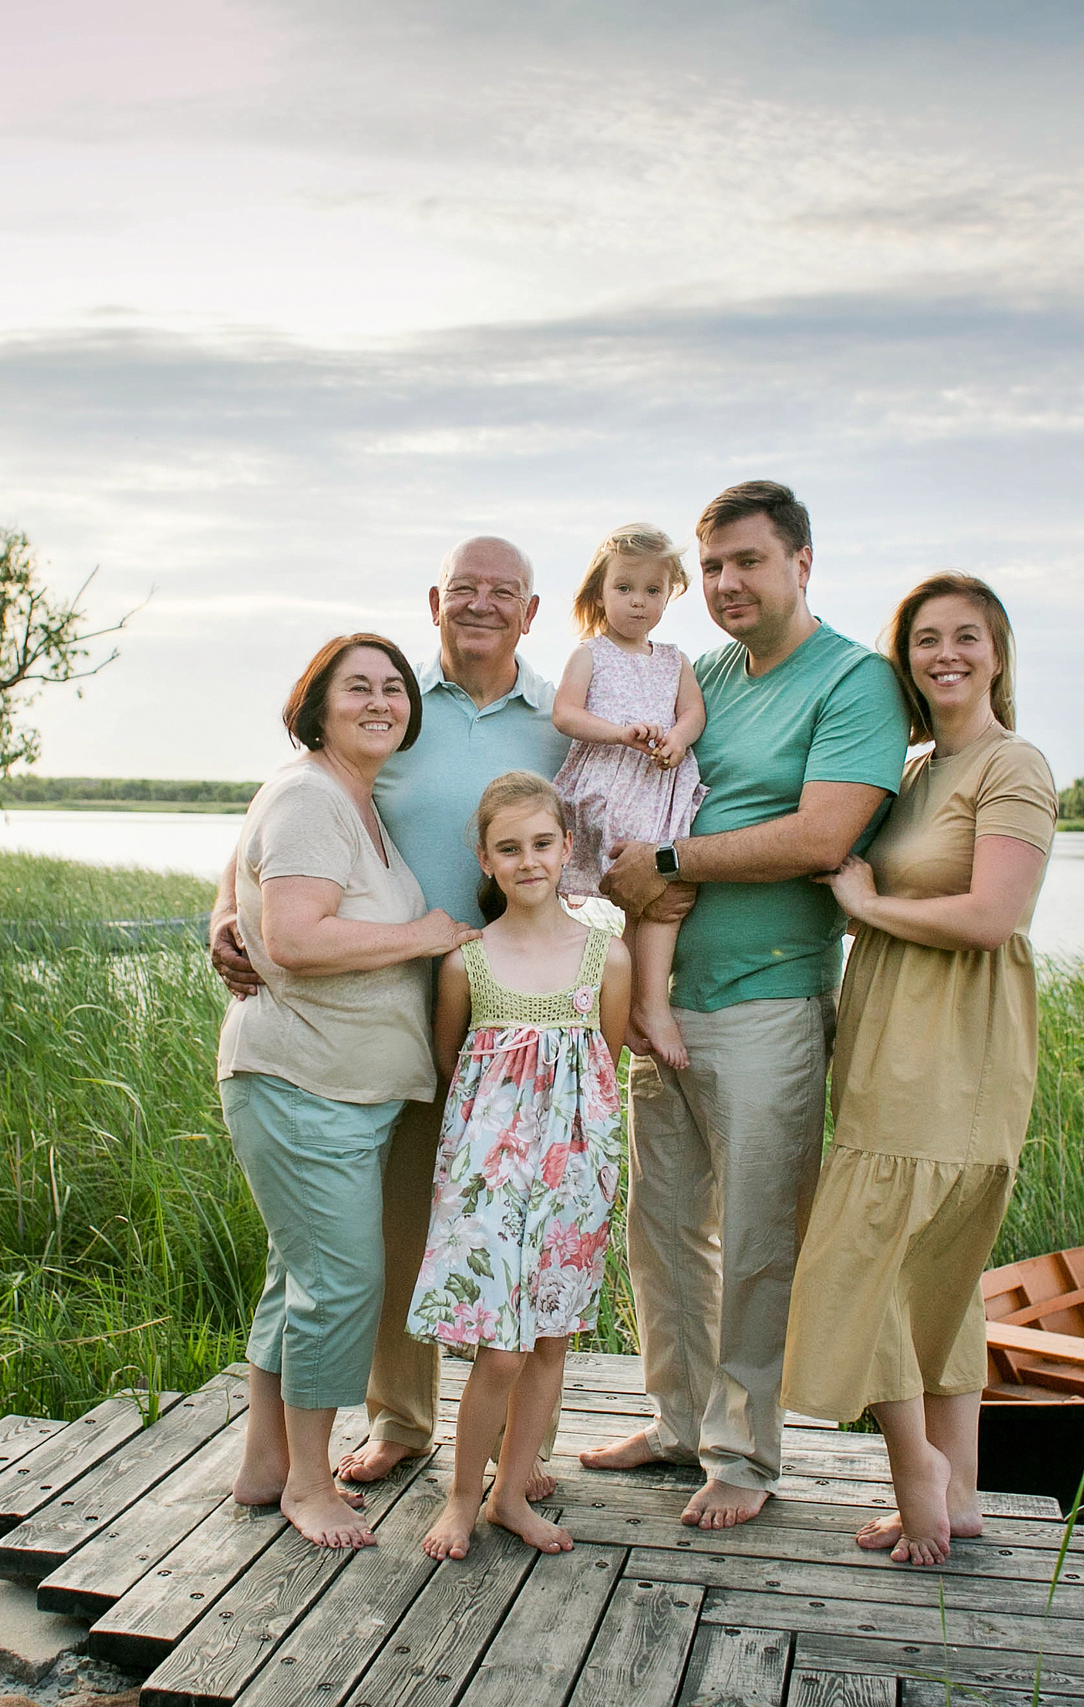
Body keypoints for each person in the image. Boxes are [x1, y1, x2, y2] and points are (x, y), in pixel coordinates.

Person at [209, 538, 571, 1488]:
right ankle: (399, 1420)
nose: (482, 604)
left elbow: (601, 830)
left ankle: (511, 1445)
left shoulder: (561, 720)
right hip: (387, 1019)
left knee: (514, 1222)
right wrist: (223, 912)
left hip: (516, 1016)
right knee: (385, 1236)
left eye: (503, 592)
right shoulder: (392, 711)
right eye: (464, 589)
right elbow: (268, 833)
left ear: (531, 612)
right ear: (435, 602)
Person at [587, 481, 910, 1530]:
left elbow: (823, 835)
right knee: (662, 1230)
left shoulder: (856, 681)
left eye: (748, 561)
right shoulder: (705, 674)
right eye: (714, 565)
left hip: (769, 1002)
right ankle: (677, 1422)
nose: (727, 583)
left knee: (759, 1239)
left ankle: (742, 1455)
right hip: (662, 999)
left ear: (801, 562)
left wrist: (667, 862)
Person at [784, 573, 1056, 1565]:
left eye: (965, 636)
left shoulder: (1012, 766)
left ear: (997, 653)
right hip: (888, 1033)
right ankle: (964, 1492)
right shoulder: (910, 771)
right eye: (925, 638)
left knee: (870, 1259)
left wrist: (866, 908)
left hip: (955, 1045)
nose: (945, 653)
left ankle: (921, 1485)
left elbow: (992, 917)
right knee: (938, 1275)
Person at [216, 633, 479, 1549]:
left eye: (394, 687)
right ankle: (307, 1483)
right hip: (300, 1083)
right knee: (342, 1282)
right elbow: (294, 937)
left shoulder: (352, 800)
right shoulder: (310, 795)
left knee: (297, 1279)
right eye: (357, 686)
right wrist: (426, 936)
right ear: (317, 706)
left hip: (342, 1089)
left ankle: (264, 1463)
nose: (380, 701)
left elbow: (261, 889)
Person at [408, 771, 632, 1560]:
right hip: (488, 1180)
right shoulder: (468, 961)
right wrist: (499, 1141)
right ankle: (461, 1497)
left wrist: (570, 1153)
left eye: (542, 843)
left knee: (548, 1342)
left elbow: (605, 1059)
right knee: (499, 1348)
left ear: (568, 847)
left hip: (572, 1179)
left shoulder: (606, 957)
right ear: (486, 858)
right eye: (509, 848)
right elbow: (452, 1062)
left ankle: (510, 1494)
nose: (528, 860)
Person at [550, 524, 707, 1069]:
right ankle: (637, 1007)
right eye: (624, 588)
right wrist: (619, 733)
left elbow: (693, 712)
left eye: (652, 590)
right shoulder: (590, 654)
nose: (638, 601)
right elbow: (565, 714)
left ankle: (644, 1003)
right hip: (608, 787)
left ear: (669, 595)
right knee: (648, 894)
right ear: (600, 593)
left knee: (656, 897)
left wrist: (677, 739)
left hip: (656, 787)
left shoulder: (674, 659)